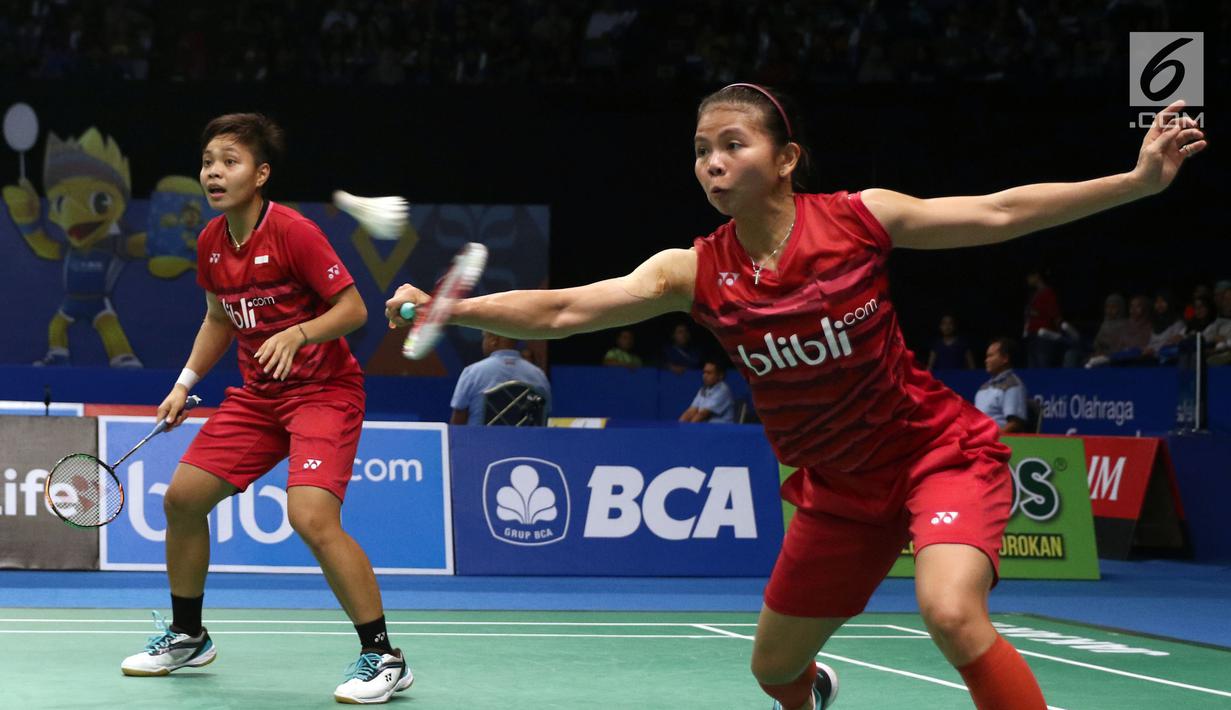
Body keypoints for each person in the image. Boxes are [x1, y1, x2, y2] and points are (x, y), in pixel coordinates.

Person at [384, 84, 1203, 710]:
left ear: (783, 159)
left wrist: (1134, 183)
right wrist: (454, 307)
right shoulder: (693, 271)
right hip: (837, 495)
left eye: (731, 144)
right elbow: (565, 310)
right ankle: (811, 689)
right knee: (771, 667)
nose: (711, 161)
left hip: (932, 457)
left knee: (950, 611)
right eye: (701, 148)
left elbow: (995, 213)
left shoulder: (857, 220)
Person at [120, 113, 412, 705]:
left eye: (230, 162)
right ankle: (188, 634)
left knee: (310, 517)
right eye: (207, 162)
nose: (214, 173)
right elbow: (216, 318)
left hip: (323, 393)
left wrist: (300, 334)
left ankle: (384, 655)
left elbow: (354, 310)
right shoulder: (210, 242)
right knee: (182, 500)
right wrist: (184, 382)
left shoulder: (294, 232)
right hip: (259, 398)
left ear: (261, 174)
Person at [450, 331, 552, 424]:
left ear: (494, 340)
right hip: (526, 443)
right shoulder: (539, 376)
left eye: (484, 337)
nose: (483, 342)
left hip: (481, 443)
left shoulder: (472, 372)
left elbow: (458, 422)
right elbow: (543, 418)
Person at [974, 338, 1029, 433]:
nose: (986, 360)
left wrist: (988, 440)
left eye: (990, 356)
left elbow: (1015, 425)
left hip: (996, 444)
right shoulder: (983, 387)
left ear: (1005, 359)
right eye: (986, 357)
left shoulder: (1012, 385)